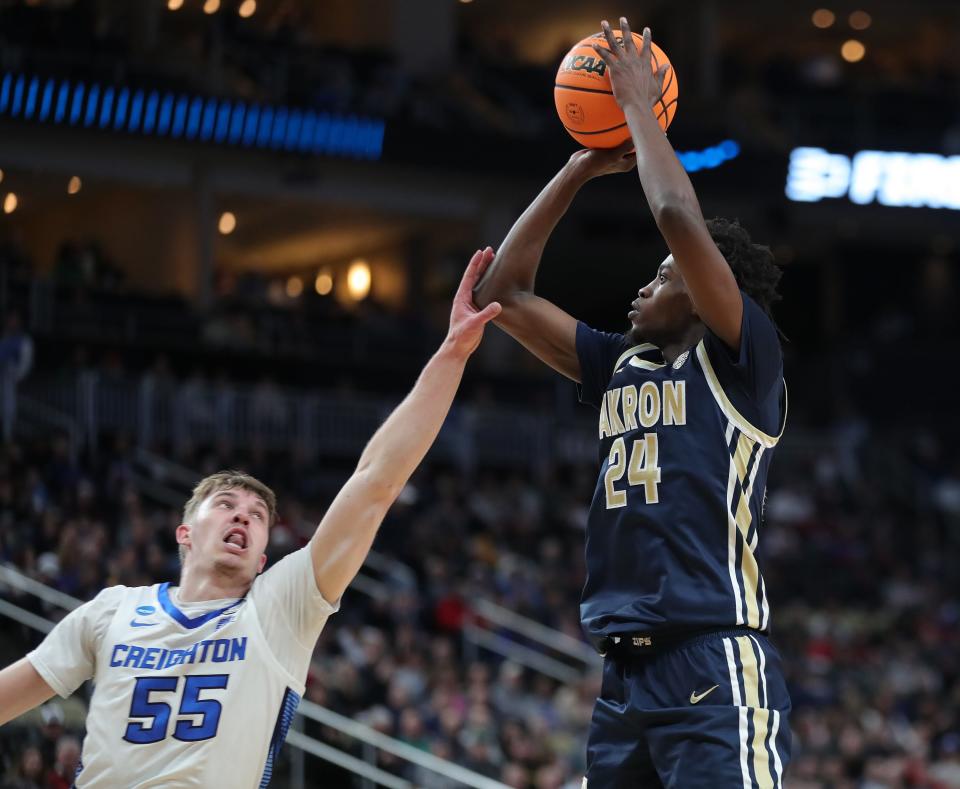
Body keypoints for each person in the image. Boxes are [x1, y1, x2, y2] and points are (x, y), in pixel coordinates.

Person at [0, 249, 502, 788]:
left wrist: (451, 352)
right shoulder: (113, 611)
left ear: (264, 557)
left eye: (257, 514)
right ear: (185, 533)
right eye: (226, 505)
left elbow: (375, 483)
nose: (242, 515)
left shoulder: (277, 608)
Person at [475, 19, 790, 788]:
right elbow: (502, 295)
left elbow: (679, 218)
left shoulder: (746, 360)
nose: (642, 287)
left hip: (713, 658)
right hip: (622, 676)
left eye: (664, 277)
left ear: (714, 288)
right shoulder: (622, 362)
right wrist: (580, 167)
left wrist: (638, 106)